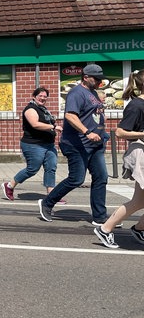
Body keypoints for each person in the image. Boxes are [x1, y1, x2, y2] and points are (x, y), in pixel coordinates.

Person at [39, 64, 110, 225]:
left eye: (101, 79)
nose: (100, 81)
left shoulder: (92, 93)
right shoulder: (76, 93)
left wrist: (101, 133)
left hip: (95, 145)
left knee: (101, 178)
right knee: (76, 179)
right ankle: (47, 203)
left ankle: (100, 217)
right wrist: (87, 132)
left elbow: (93, 115)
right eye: (96, 79)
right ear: (85, 77)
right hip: (77, 144)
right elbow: (70, 116)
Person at [93, 70, 144, 248]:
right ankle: (105, 229)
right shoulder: (136, 105)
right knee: (138, 201)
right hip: (140, 153)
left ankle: (137, 229)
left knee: (139, 201)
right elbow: (120, 132)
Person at [2, 87, 62, 201]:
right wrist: (53, 126)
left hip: (48, 144)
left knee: (51, 168)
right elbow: (35, 124)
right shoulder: (30, 109)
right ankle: (9, 185)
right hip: (33, 145)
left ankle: (51, 195)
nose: (43, 98)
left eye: (45, 96)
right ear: (34, 97)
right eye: (40, 96)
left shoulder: (44, 109)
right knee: (32, 169)